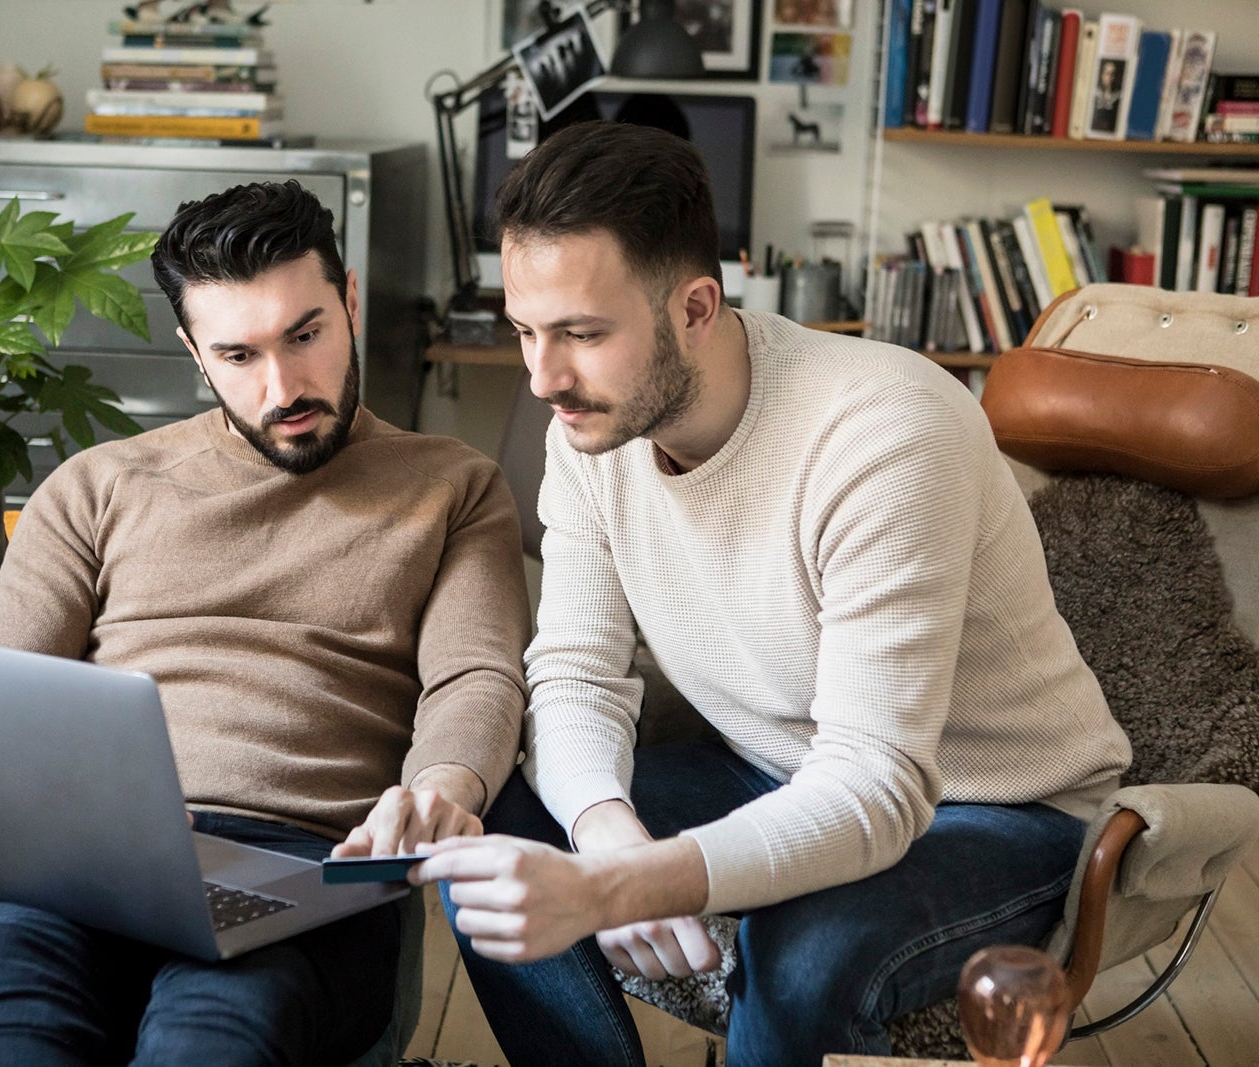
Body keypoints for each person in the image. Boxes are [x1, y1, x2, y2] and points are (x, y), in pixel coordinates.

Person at [412, 121, 1132, 1067]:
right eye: (526, 331)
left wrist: (625, 888)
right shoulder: (588, 426)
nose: (545, 377)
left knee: (799, 953)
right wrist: (605, 831)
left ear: (698, 307)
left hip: (997, 809)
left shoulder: (885, 434)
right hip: (776, 766)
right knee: (497, 827)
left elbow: (877, 785)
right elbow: (578, 672)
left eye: (583, 334)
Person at [0, 179, 532, 1065]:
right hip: (84, 857)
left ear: (351, 300)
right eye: (239, 356)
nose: (284, 386)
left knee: (211, 1044)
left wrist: (444, 784)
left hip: (300, 869)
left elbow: (476, 675)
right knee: (3, 1039)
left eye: (306, 334)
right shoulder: (100, 486)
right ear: (194, 353)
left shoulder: (454, 484)